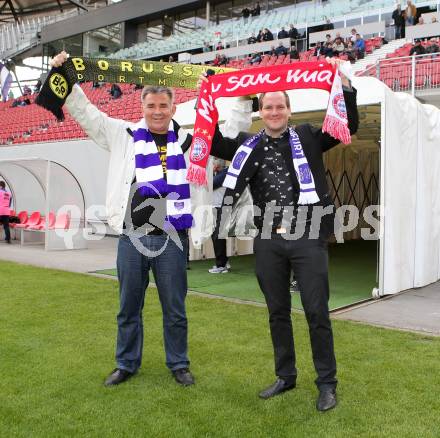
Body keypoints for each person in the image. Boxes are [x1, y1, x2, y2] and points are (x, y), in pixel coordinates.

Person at [50, 51, 251, 388]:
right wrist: (67, 74)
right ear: (142, 108)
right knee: (128, 307)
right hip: (132, 238)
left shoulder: (190, 141)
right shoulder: (123, 134)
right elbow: (87, 114)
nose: (157, 112)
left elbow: (231, 133)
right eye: (151, 106)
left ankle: (179, 364)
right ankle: (126, 364)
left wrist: (244, 95)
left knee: (175, 309)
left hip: (173, 239)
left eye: (163, 106)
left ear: (173, 109)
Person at [205, 58, 359, 411]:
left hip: (307, 234)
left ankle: (327, 384)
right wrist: (210, 95)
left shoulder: (307, 136)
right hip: (268, 238)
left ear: (289, 110)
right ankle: (286, 376)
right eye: (268, 107)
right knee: (277, 311)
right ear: (261, 111)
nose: (274, 111)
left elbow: (345, 125)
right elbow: (212, 140)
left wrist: (346, 86)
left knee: (316, 310)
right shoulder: (247, 145)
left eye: (280, 106)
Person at [208, 161, 230, 274]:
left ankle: (221, 265)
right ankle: (223, 262)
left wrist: (209, 173)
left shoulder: (225, 172)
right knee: (218, 235)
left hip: (221, 207)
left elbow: (210, 184)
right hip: (217, 208)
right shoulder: (218, 174)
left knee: (218, 236)